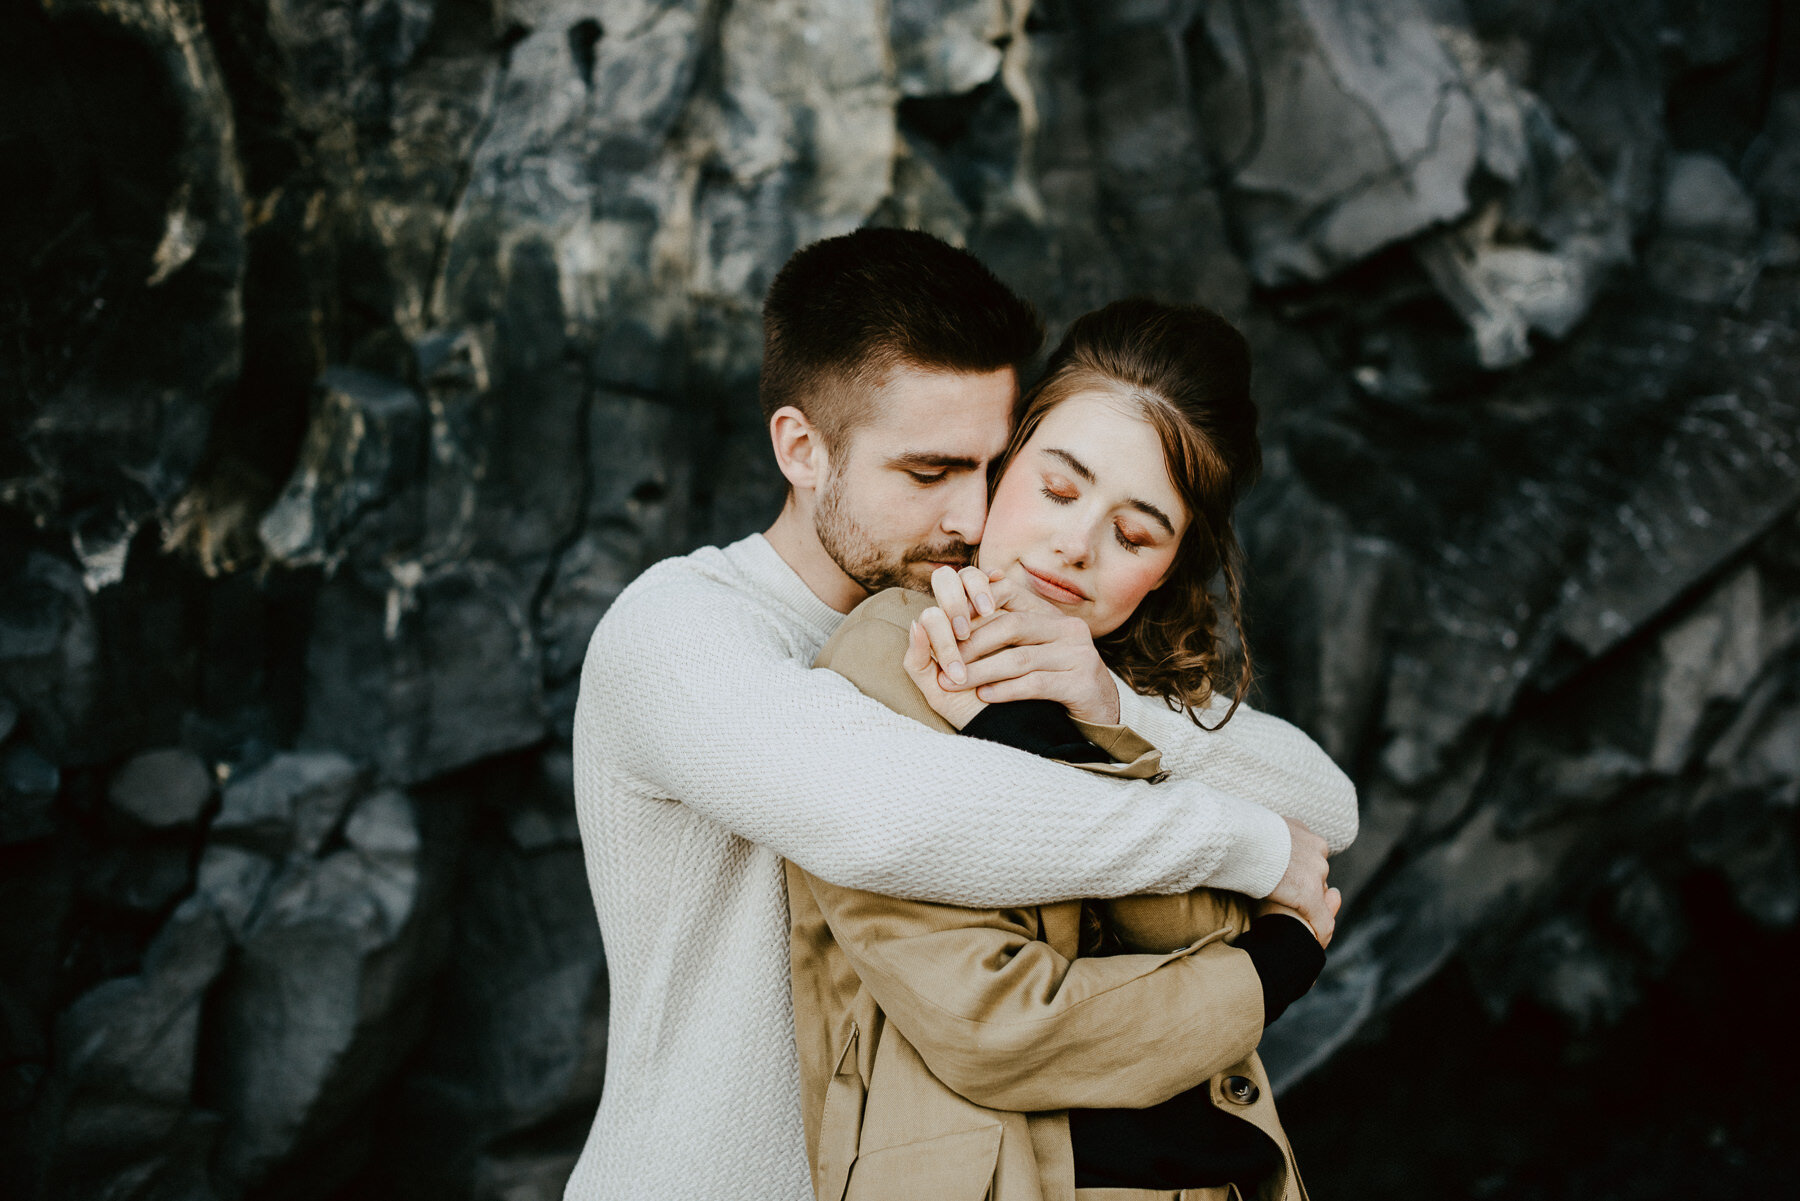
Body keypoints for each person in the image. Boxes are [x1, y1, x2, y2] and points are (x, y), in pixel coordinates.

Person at [566, 230, 1356, 1200]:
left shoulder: (1011, 641)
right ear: (801, 448)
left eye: (994, 468)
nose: (975, 518)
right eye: (930, 473)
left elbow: (1328, 802)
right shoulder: (680, 630)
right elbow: (889, 819)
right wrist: (1240, 846)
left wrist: (1108, 704)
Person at [788, 298, 1327, 1201]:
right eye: (1060, 489)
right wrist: (1273, 967)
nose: (1076, 545)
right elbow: (994, 1021)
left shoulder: (1129, 694)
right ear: (1003, 465)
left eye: (1135, 533)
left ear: (1170, 569)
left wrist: (1097, 710)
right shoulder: (891, 654)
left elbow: (1204, 926)